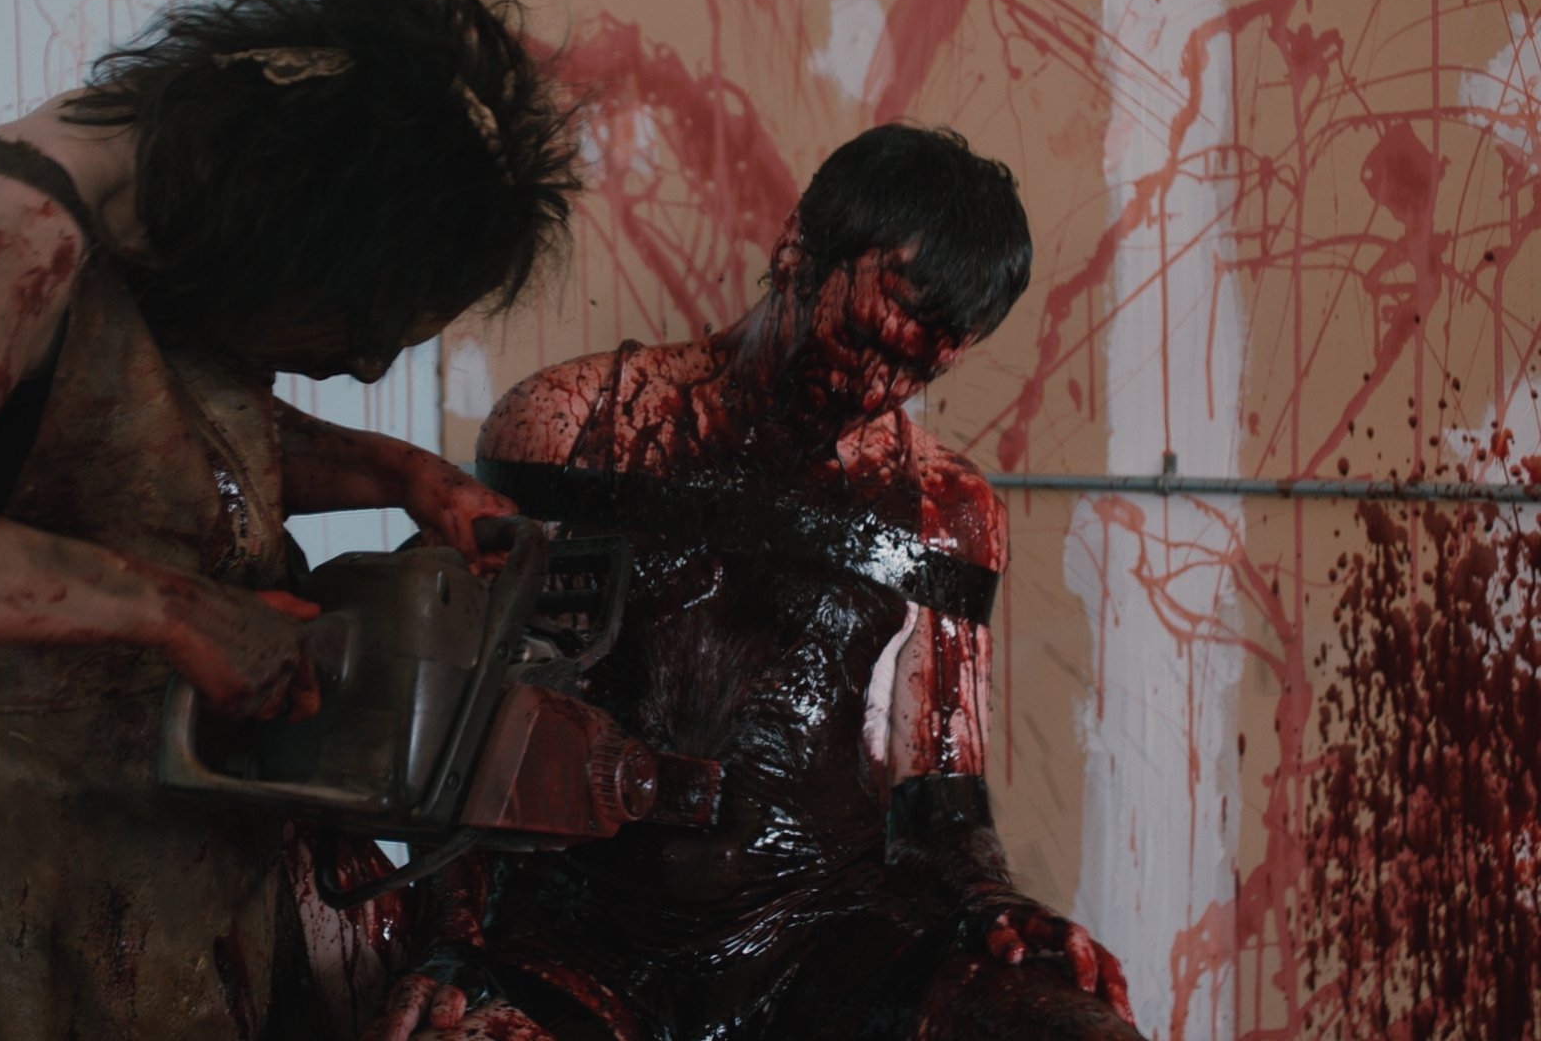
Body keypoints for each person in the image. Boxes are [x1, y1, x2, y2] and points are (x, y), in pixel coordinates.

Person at [0, 0, 579, 1037]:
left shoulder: (176, 199)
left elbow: (125, 431)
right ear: (292, 232)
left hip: (48, 709)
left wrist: (405, 476)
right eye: (364, 331)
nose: (360, 367)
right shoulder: (17, 233)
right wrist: (184, 610)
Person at [371, 124, 1138, 1040]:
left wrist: (996, 903)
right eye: (867, 338)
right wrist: (450, 937)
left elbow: (940, 797)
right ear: (797, 251)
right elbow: (456, 719)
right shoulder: (574, 426)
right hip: (569, 936)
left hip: (829, 944)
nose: (876, 388)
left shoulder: (947, 510)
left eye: (919, 369)